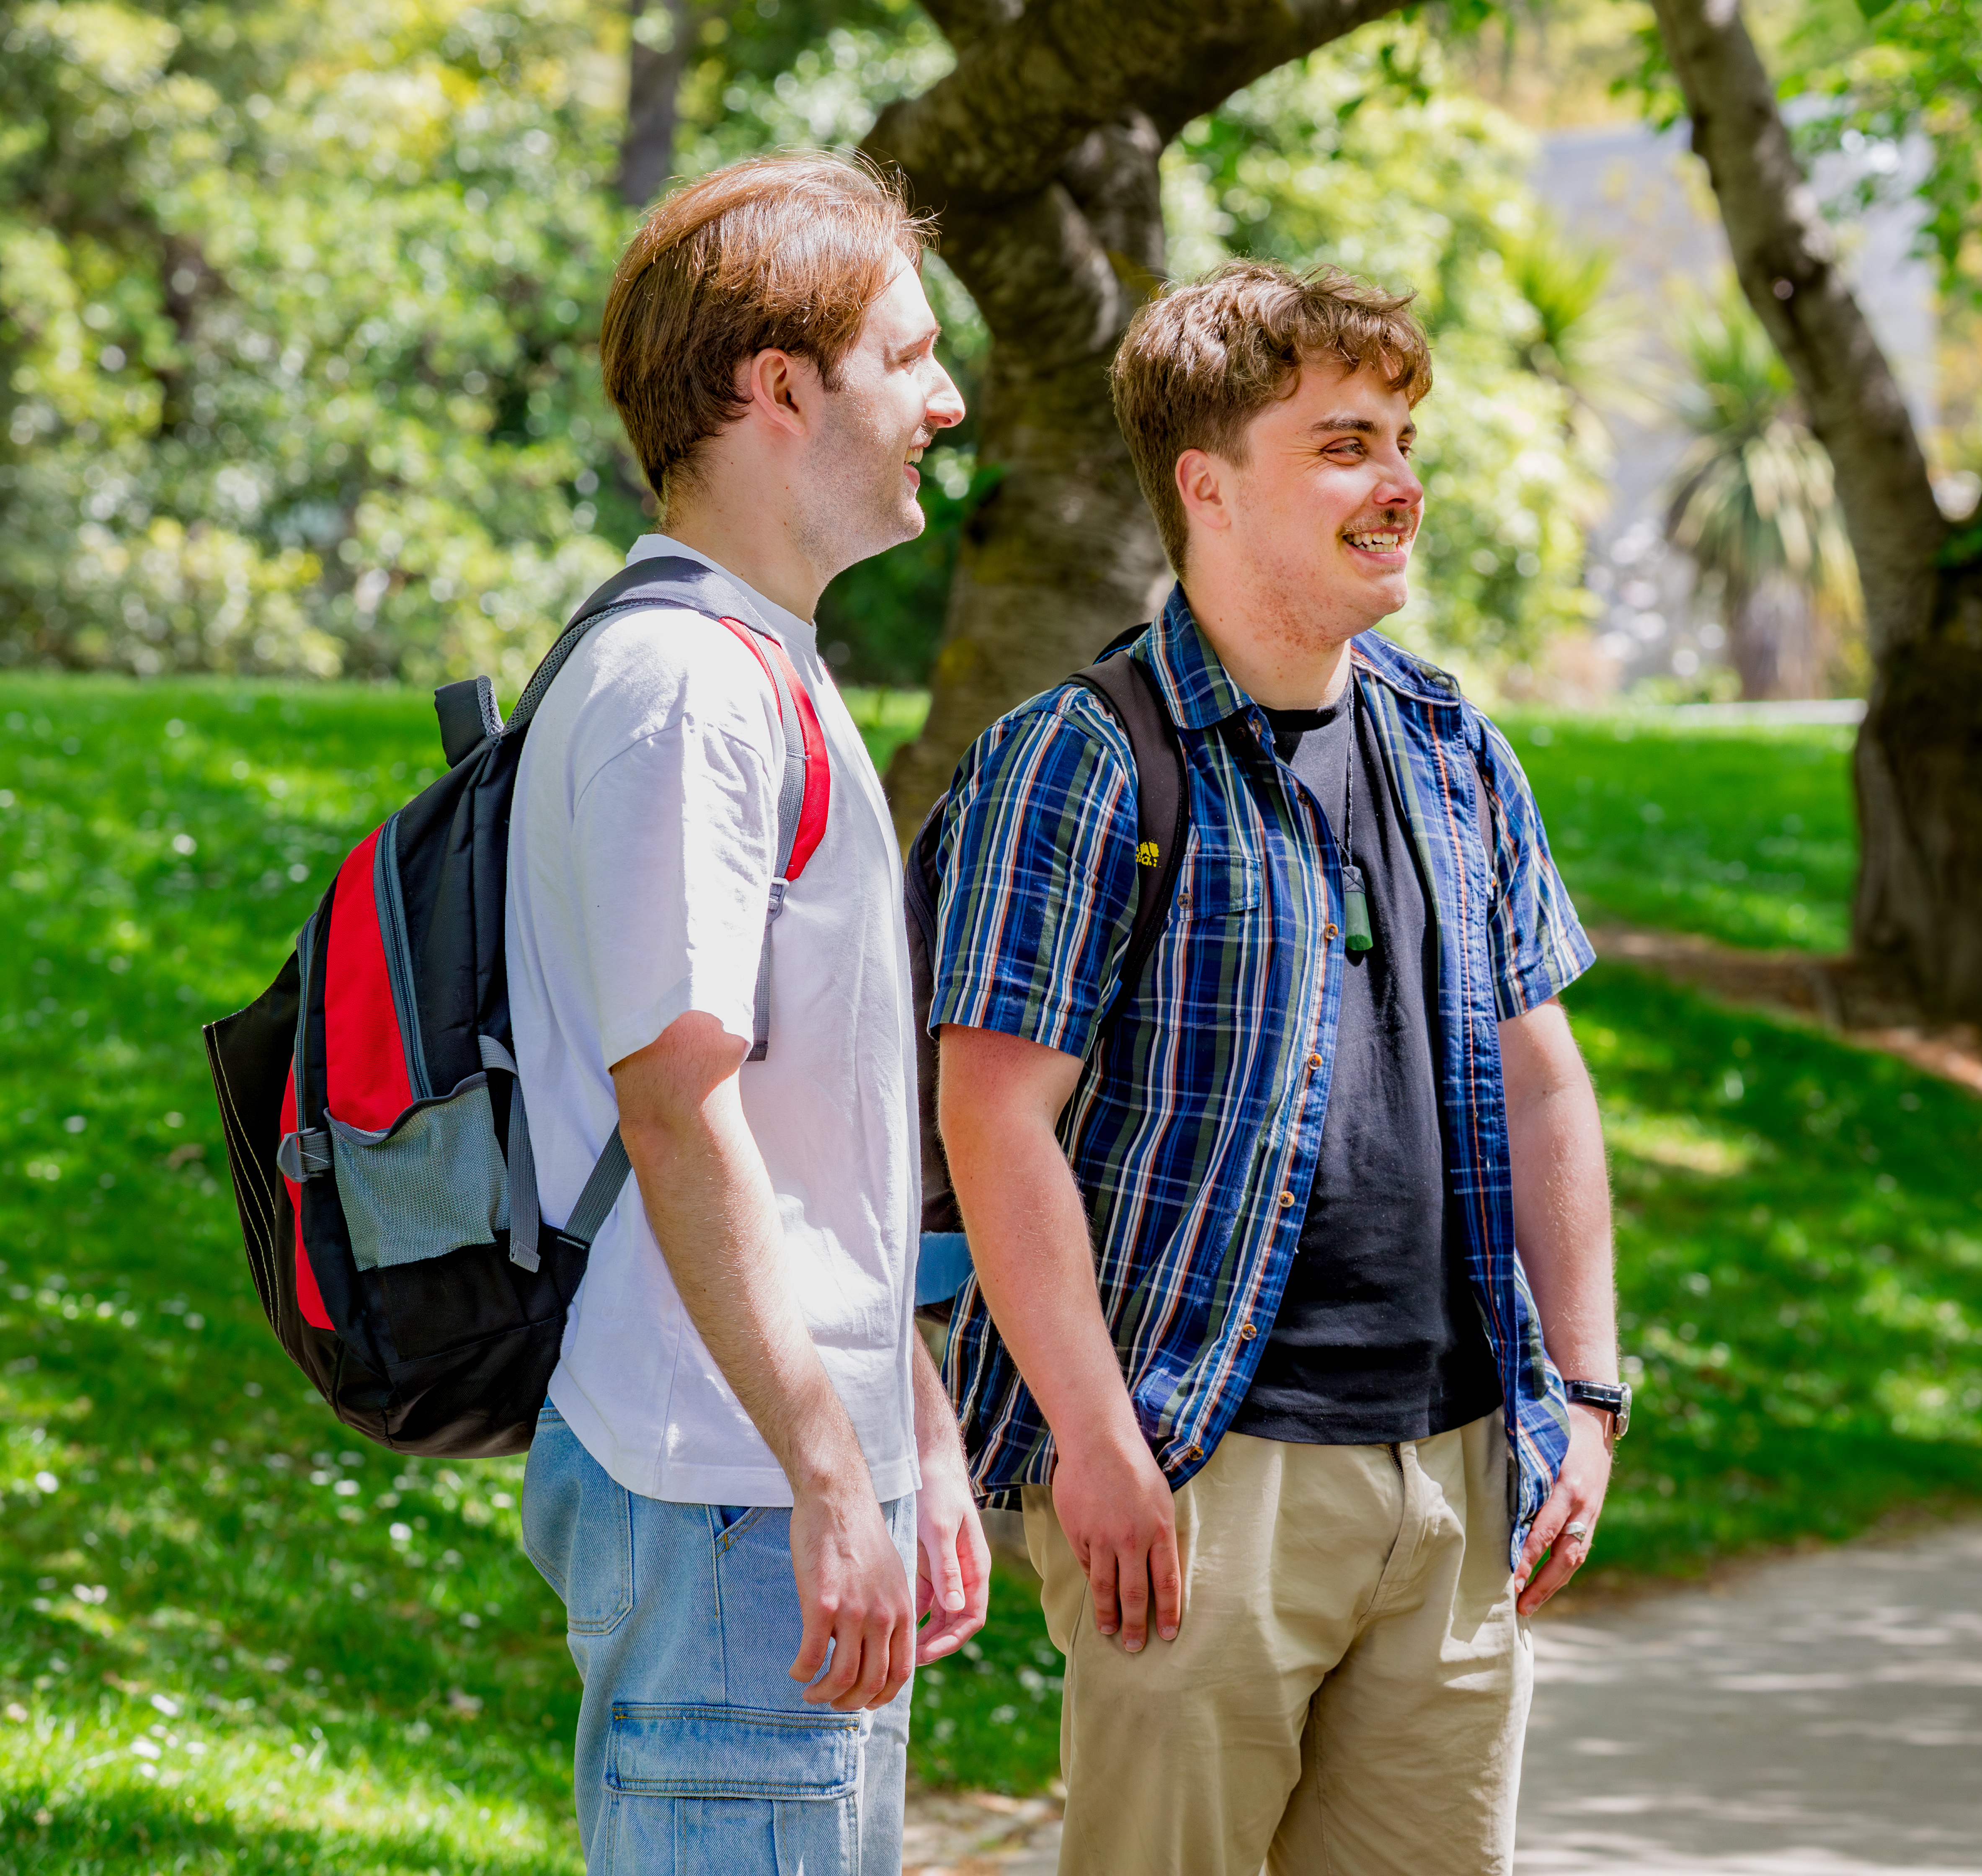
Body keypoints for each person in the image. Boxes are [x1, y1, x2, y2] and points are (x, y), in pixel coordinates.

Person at [918, 259, 1626, 1876]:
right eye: (1345, 445)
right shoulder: (1081, 759)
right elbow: (993, 1114)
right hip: (1205, 1471)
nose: (1401, 487)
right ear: (1209, 485)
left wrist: (1580, 1395)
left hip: (1456, 1466)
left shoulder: (1452, 745)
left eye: (1401, 441)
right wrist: (1096, 1446)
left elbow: (1543, 1077)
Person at [508, 152, 989, 1875]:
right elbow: (679, 1108)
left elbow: (815, 1138)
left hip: (762, 1483)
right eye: (907, 356)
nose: (945, 400)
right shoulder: (686, 693)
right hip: (720, 1491)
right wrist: (824, 1466)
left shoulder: (760, 664)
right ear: (778, 387)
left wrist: (903, 1422)